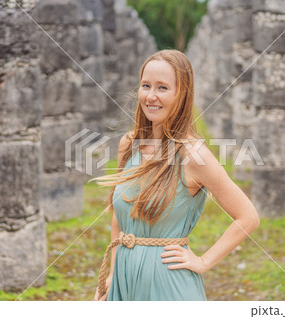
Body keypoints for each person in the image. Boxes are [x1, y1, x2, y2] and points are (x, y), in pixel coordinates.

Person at [91, 49, 260, 301]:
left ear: (182, 94)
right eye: (145, 85)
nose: (150, 96)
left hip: (169, 285)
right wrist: (112, 276)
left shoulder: (194, 156)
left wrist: (203, 261)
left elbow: (248, 216)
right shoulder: (128, 144)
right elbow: (119, 219)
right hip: (124, 283)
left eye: (162, 88)